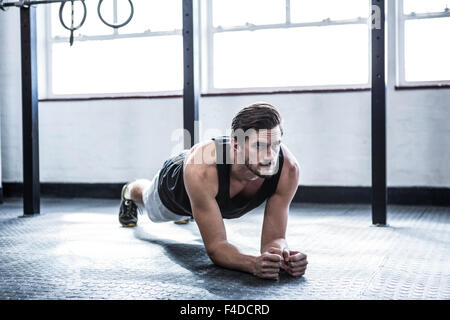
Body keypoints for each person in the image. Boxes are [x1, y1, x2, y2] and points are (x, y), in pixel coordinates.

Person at [118, 102, 308, 279]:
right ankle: (129, 191)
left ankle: (196, 209)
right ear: (236, 145)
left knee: (201, 207)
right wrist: (252, 264)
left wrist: (282, 256)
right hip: (177, 186)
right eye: (259, 146)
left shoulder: (287, 170)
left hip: (204, 190)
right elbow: (217, 247)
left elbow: (275, 238)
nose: (270, 156)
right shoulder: (202, 170)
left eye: (275, 145)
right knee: (149, 202)